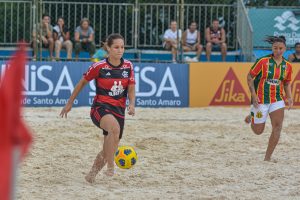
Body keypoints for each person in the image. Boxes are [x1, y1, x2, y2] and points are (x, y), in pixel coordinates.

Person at [60, 33, 135, 182]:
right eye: (116, 47)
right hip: (100, 108)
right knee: (113, 129)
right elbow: (81, 83)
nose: (120, 50)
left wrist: (132, 104)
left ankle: (91, 174)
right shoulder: (99, 66)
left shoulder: (128, 65)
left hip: (119, 110)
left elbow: (131, 88)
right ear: (108, 48)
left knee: (110, 146)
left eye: (122, 47)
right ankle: (111, 166)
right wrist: (69, 103)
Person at [244, 36, 293, 161]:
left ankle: (267, 157)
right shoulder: (262, 61)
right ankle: (252, 116)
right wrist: (253, 96)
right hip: (260, 99)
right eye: (275, 48)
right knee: (258, 131)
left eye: (281, 48)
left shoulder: (287, 65)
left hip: (277, 99)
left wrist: (289, 97)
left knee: (277, 127)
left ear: (285, 49)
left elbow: (286, 83)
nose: (278, 50)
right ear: (272, 48)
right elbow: (250, 77)